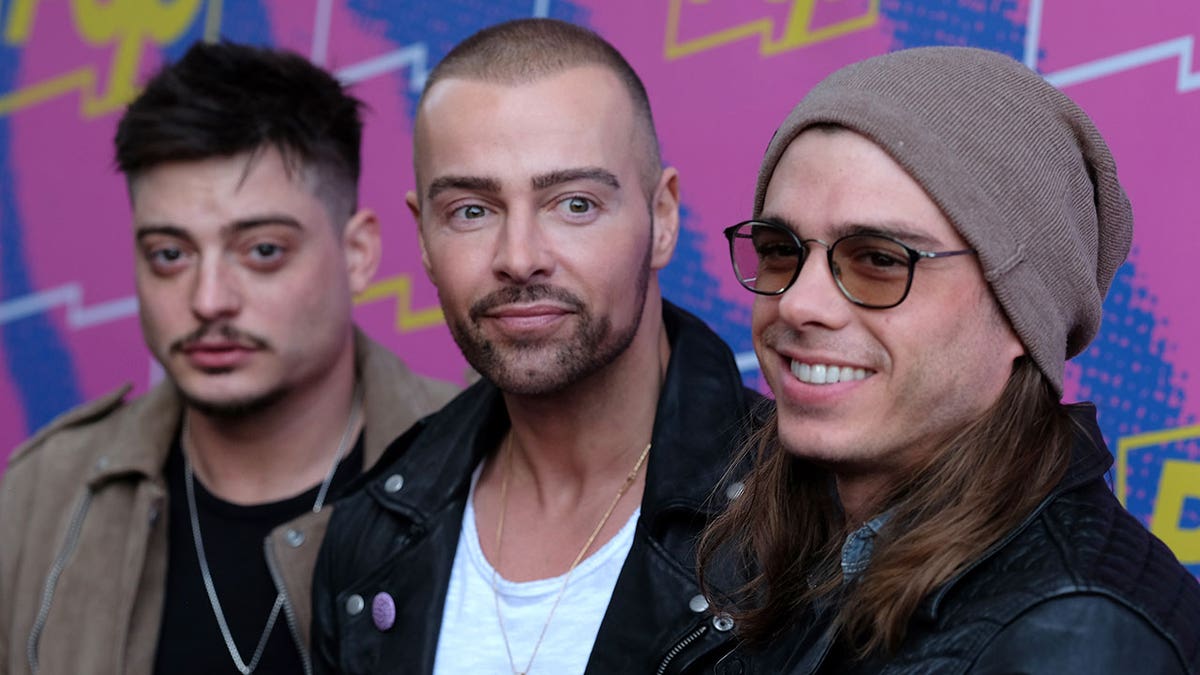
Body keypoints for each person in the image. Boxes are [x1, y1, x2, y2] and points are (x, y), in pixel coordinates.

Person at [698, 46, 1200, 673]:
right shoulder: (790, 549)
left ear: (1023, 311)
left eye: (880, 259)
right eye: (780, 250)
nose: (800, 303)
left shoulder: (1076, 636)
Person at [311, 18, 760, 675]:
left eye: (574, 204)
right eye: (471, 210)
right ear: (424, 239)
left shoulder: (800, 515)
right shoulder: (371, 529)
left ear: (662, 220)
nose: (519, 258)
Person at [0, 41, 457, 675]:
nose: (208, 300)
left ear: (358, 253)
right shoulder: (44, 495)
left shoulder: (481, 466)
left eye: (262, 250)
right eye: (170, 255)